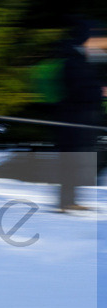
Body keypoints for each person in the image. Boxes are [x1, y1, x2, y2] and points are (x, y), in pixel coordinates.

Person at [55, 20, 106, 212]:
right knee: (70, 161)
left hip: (80, 119)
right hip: (73, 120)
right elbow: (78, 89)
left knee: (76, 161)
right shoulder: (72, 59)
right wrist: (100, 91)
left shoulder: (79, 57)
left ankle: (70, 200)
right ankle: (65, 202)